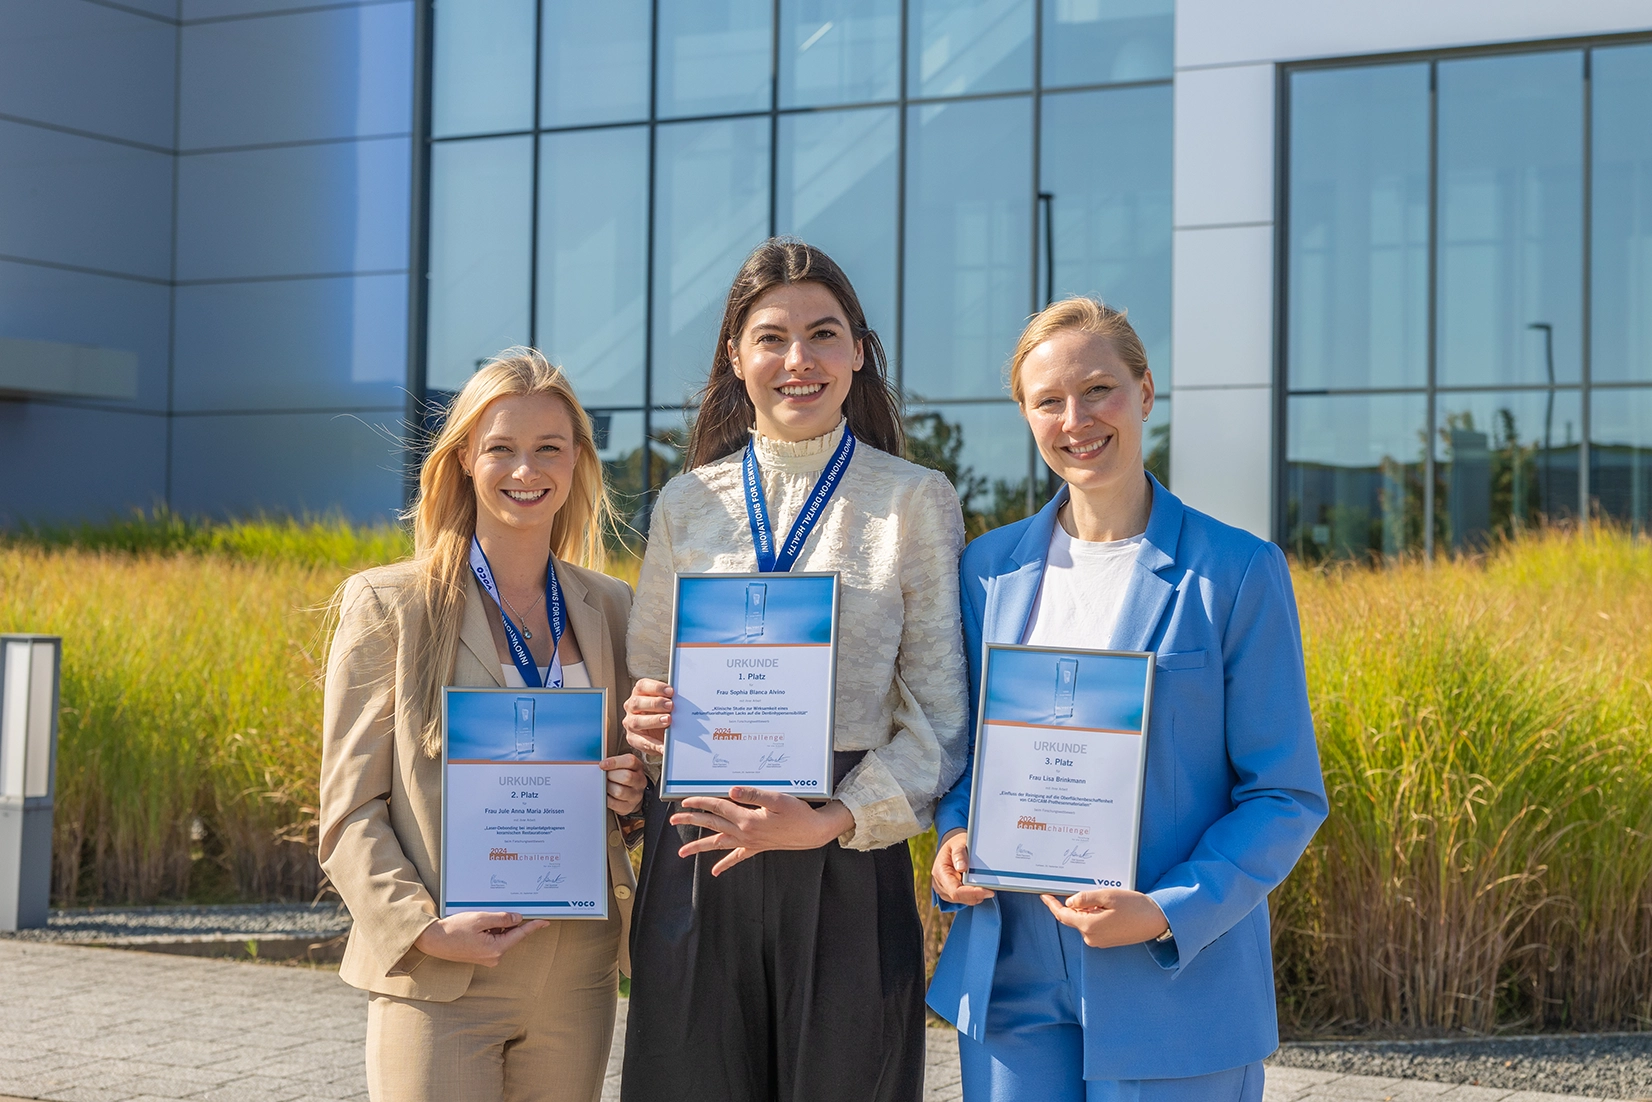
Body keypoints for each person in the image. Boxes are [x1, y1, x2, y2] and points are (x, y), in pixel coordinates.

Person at [926, 298, 1329, 1102]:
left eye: (1099, 389)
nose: (1076, 419)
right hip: (1009, 972)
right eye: (1049, 400)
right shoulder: (986, 571)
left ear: (1145, 392)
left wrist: (1166, 910)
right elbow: (966, 754)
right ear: (1026, 414)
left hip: (1169, 975)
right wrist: (956, 834)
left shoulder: (1237, 572)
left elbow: (1284, 793)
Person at [619, 238, 970, 1102]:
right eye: (772, 337)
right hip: (700, 841)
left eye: (823, 334)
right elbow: (648, 682)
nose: (798, 360)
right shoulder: (685, 504)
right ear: (737, 357)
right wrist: (647, 724)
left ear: (858, 351)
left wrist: (830, 821)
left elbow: (939, 719)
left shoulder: (914, 500)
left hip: (843, 852)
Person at [318, 348, 648, 1102]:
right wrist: (422, 930)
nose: (524, 470)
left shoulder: (613, 607)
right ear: (465, 456)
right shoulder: (388, 606)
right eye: (500, 447)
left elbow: (635, 786)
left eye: (548, 449)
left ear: (576, 465)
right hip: (442, 973)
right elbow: (347, 813)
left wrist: (632, 790)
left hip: (578, 971)